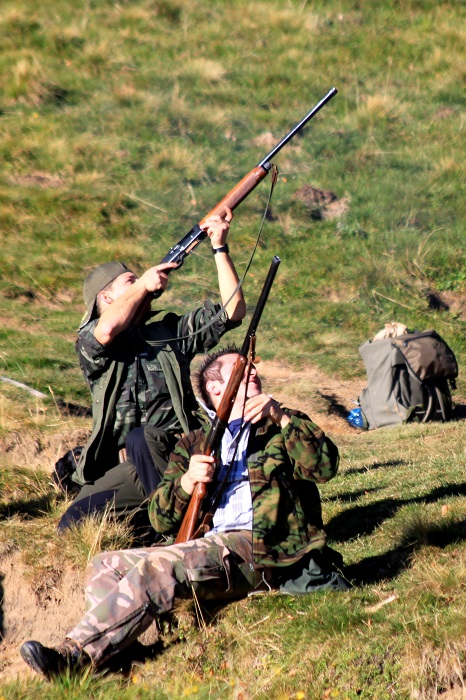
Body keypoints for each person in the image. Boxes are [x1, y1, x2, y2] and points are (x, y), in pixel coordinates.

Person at [21, 347, 349, 678]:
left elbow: (324, 466)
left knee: (156, 565)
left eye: (253, 369)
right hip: (213, 547)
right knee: (103, 565)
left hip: (264, 548)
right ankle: (115, 662)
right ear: (217, 388)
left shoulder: (282, 424)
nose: (253, 372)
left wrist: (280, 417)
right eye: (242, 369)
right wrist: (188, 483)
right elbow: (160, 518)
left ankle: (73, 654)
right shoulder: (193, 444)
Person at [57, 208, 246, 533]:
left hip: (178, 454)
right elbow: (106, 329)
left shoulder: (168, 332)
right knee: (71, 524)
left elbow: (233, 311)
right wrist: (144, 284)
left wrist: (219, 246)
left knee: (141, 438)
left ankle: (185, 529)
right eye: (130, 282)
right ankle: (160, 534)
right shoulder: (92, 343)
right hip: (130, 464)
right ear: (106, 297)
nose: (141, 283)